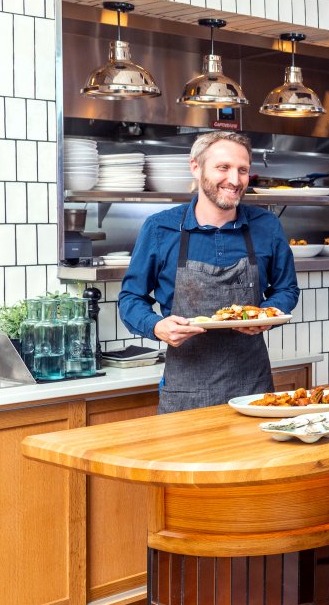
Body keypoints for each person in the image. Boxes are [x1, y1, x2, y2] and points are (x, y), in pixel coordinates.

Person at [119, 131, 299, 413]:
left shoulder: (266, 225)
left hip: (254, 391)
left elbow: (286, 289)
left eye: (243, 170)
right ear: (196, 167)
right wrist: (156, 326)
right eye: (223, 167)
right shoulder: (159, 228)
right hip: (184, 393)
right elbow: (130, 298)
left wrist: (268, 314)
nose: (235, 180)